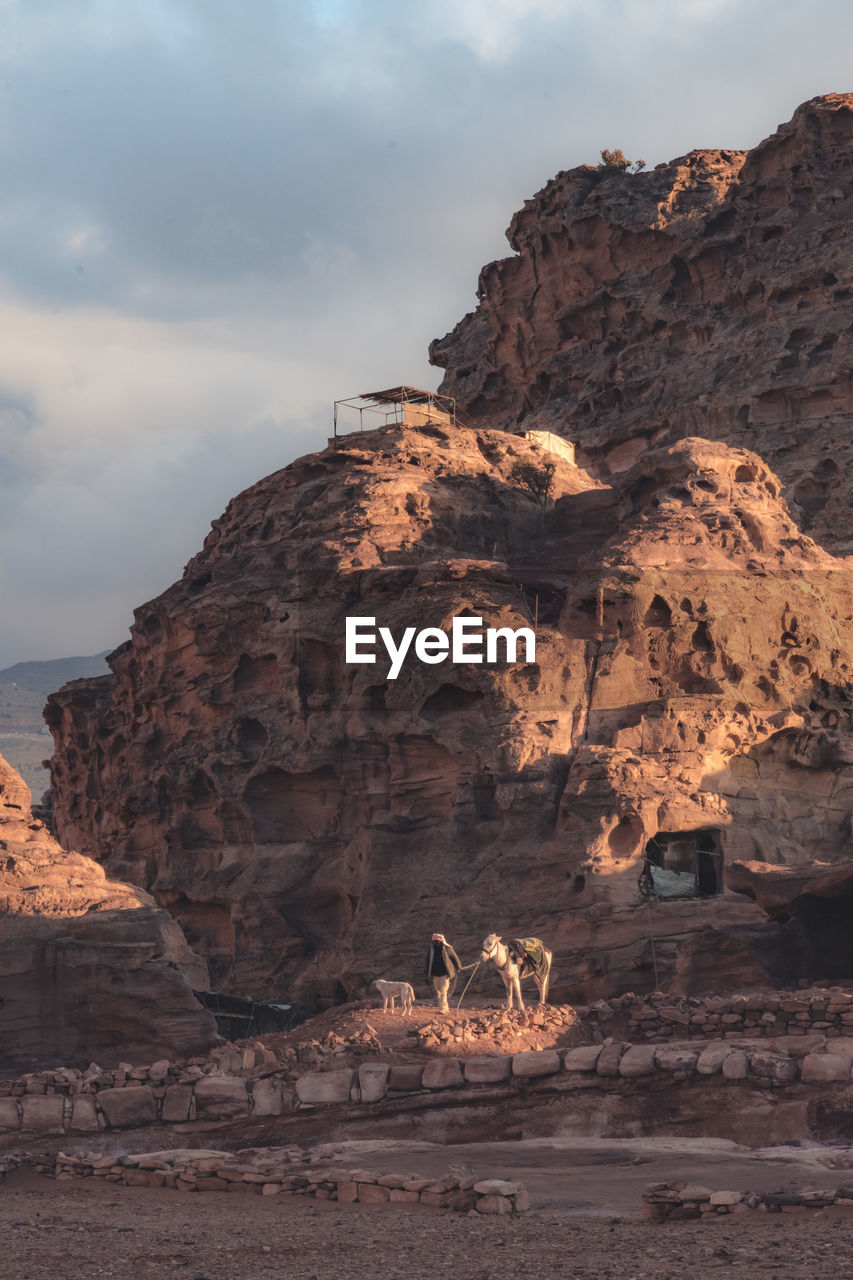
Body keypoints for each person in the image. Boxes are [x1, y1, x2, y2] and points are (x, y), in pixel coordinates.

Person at [425, 931, 461, 1013]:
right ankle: (445, 1008)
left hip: (445, 975)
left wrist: (458, 967)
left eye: (436, 941)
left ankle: (443, 1009)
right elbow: (428, 962)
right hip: (435, 975)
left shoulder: (447, 949)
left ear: (440, 941)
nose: (435, 943)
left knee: (443, 992)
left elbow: (455, 958)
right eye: (434, 941)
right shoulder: (431, 950)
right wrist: (426, 974)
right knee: (438, 992)